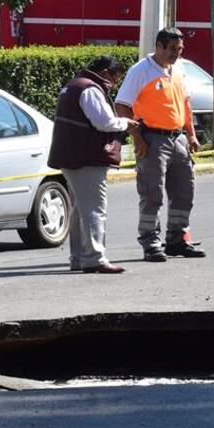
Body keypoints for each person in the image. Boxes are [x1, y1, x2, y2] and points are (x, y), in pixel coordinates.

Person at [114, 27, 205, 262]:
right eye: (172, 49)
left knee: (185, 192)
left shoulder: (180, 68)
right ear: (159, 46)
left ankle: (177, 239)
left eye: (180, 49)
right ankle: (151, 242)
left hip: (179, 139)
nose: (177, 53)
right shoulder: (141, 71)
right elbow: (122, 106)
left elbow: (185, 103)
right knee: (152, 194)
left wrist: (191, 135)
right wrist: (137, 138)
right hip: (152, 139)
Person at [47, 56, 137, 274]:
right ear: (106, 73)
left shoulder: (73, 85)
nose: (114, 84)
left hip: (71, 155)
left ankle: (79, 257)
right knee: (95, 209)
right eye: (116, 78)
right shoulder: (90, 89)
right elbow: (103, 122)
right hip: (86, 157)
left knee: (80, 210)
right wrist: (126, 123)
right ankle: (95, 258)